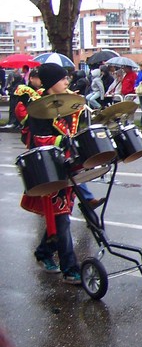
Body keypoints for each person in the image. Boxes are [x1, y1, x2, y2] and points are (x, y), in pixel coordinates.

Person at [20, 63, 88, 283]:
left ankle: (44, 251)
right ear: (51, 84)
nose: (67, 82)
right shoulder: (38, 108)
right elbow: (39, 140)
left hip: (66, 165)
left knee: (61, 215)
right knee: (61, 218)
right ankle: (70, 268)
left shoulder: (66, 104)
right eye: (63, 79)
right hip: (47, 169)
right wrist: (61, 140)